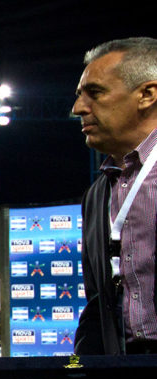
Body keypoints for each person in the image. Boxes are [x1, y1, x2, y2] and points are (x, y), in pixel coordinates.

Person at [73, 37, 157, 355]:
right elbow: (98, 303)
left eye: (95, 93)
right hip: (127, 371)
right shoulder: (98, 194)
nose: (78, 108)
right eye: (79, 95)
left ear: (147, 95)